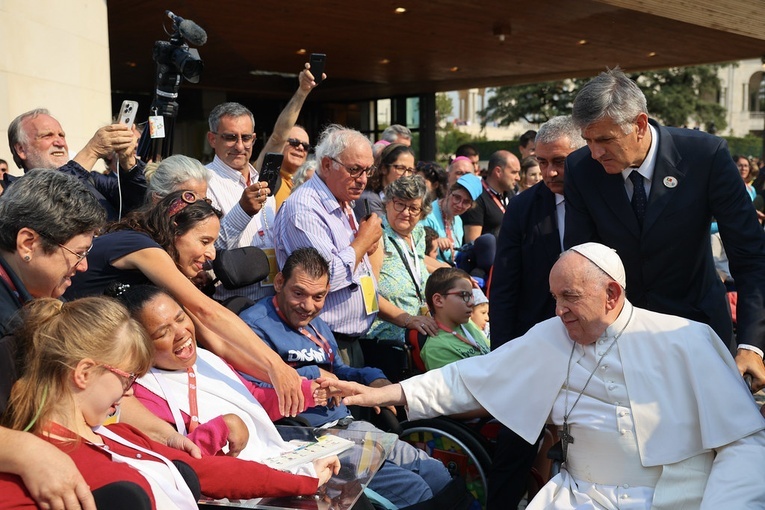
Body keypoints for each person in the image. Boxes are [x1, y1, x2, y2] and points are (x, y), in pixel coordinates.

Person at [326, 243, 765, 509]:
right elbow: (469, 378)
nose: (558, 311)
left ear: (612, 294)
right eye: (554, 297)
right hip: (581, 496)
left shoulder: (686, 339)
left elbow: (743, 442)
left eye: (569, 297)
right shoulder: (553, 335)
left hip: (676, 498)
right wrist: (384, 392)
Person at [0, 297, 337, 508]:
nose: (130, 392)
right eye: (126, 377)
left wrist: (304, 480)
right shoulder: (34, 471)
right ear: (84, 373)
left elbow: (207, 472)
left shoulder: (113, 432)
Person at [563, 68, 765, 390]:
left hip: (697, 327)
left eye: (605, 140)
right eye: (587, 140)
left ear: (640, 125)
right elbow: (582, 258)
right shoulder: (581, 168)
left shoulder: (705, 156)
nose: (595, 152)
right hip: (620, 334)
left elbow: (750, 256)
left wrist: (752, 345)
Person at [239, 248, 456, 508]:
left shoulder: (315, 323)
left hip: (348, 427)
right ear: (279, 284)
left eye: (319, 296)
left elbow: (339, 371)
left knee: (436, 472)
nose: (308, 306)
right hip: (306, 437)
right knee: (415, 490)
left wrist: (373, 379)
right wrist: (312, 375)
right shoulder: (253, 327)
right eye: (299, 294)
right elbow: (251, 393)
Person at [65, 190, 307, 417]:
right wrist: (274, 363)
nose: (212, 254)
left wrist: (287, 378)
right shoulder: (141, 246)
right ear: (175, 230)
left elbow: (218, 343)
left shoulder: (165, 268)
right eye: (204, 241)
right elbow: (207, 310)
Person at [114, 285, 338, 477]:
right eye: (163, 332)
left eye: (181, 318)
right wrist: (220, 429)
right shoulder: (142, 393)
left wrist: (309, 392)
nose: (181, 332)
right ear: (139, 345)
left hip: (272, 462)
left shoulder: (207, 358)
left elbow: (252, 400)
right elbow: (181, 459)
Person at [487, 116, 585, 509]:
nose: (549, 172)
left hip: (596, 346)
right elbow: (504, 287)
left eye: (559, 161)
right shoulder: (524, 206)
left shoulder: (609, 196)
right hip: (533, 346)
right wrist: (504, 356)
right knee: (514, 451)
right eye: (541, 162)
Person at [274, 124, 383, 368]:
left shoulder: (343, 198)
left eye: (368, 170)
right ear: (326, 165)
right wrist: (363, 241)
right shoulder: (304, 208)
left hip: (346, 341)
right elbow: (326, 277)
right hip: (322, 341)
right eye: (355, 170)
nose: (363, 180)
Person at [7, 108, 147, 220]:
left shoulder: (93, 179)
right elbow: (52, 198)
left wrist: (128, 163)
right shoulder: (14, 191)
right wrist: (91, 151)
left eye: (61, 135)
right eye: (47, 135)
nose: (60, 143)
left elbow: (139, 202)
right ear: (21, 149)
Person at [363, 176, 439, 377]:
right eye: (399, 204)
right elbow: (368, 295)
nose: (406, 213)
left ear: (422, 213)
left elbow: (419, 262)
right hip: (388, 337)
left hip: (418, 329)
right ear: (387, 204)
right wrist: (407, 320)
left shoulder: (418, 234)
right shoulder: (377, 237)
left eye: (413, 208)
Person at [205, 102, 275, 304]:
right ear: (212, 139)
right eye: (230, 137)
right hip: (233, 307)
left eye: (245, 138)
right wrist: (242, 212)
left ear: (253, 139)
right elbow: (205, 253)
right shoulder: (203, 182)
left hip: (273, 304)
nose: (239, 146)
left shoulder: (263, 182)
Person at [253, 63, 325, 211]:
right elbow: (278, 136)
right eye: (293, 142)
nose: (300, 148)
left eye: (305, 146)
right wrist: (303, 92)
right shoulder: (267, 176)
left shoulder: (312, 181)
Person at [420, 267, 489, 371]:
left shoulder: (468, 324)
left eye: (471, 296)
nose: (471, 303)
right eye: (464, 295)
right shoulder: (437, 348)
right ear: (438, 300)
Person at [421, 173, 482, 265]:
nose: (459, 205)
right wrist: (434, 241)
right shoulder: (427, 215)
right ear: (449, 192)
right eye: (457, 197)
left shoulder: (458, 221)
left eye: (466, 202)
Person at [461, 150, 520, 242]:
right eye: (514, 172)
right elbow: (473, 243)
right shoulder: (477, 197)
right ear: (498, 171)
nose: (518, 177)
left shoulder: (511, 193)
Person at [353, 143, 416, 220]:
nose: (406, 175)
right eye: (400, 168)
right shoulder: (369, 199)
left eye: (410, 170)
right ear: (384, 168)